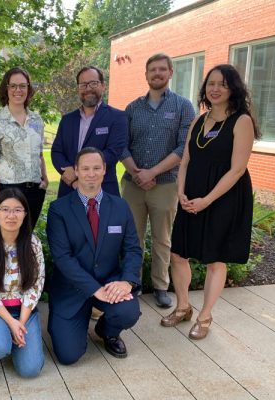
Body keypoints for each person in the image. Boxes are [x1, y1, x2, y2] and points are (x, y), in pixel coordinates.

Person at [162, 64, 259, 340]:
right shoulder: (199, 120)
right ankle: (183, 307)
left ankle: (205, 316)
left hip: (223, 198)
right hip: (191, 196)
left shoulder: (241, 121)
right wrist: (181, 192)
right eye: (211, 83)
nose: (214, 89)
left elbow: (237, 169)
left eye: (222, 84)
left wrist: (207, 200)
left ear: (233, 89)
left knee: (215, 259)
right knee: (178, 253)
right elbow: (186, 161)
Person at [46, 147, 142, 364]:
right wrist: (95, 290)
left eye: (96, 168)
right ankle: (72, 323)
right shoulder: (59, 209)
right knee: (68, 356)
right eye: (86, 168)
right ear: (76, 171)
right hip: (72, 288)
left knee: (127, 312)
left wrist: (127, 281)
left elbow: (132, 249)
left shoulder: (120, 206)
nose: (91, 173)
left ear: (105, 170)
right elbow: (62, 258)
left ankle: (107, 331)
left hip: (109, 281)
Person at [120, 53, 196, 308]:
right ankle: (133, 283)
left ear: (171, 73)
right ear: (146, 75)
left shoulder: (183, 106)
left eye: (162, 69)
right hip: (133, 185)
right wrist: (138, 173)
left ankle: (161, 286)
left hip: (165, 184)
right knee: (133, 237)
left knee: (163, 238)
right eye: (152, 69)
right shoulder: (132, 108)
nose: (157, 73)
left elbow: (184, 147)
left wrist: (151, 173)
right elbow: (122, 146)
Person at [0, 188, 45, 377]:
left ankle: (10, 337)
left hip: (23, 310)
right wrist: (11, 324)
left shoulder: (33, 243)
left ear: (25, 213)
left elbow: (36, 285)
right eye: (5, 209)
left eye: (17, 210)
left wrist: (19, 322)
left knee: (30, 370)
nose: (11, 215)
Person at [0, 67, 49, 229]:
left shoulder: (36, 120)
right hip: (6, 192)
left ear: (28, 88)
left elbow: (39, 154)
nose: (18, 90)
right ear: (6, 88)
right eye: (13, 86)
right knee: (6, 243)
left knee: (25, 243)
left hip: (33, 193)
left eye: (22, 86)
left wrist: (45, 178)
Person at [51, 66, 127, 198]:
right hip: (69, 190)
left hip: (103, 191)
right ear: (78, 88)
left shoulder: (117, 117)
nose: (88, 88)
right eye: (83, 84)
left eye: (93, 83)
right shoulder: (67, 120)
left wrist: (78, 172)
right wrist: (73, 179)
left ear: (103, 85)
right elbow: (57, 151)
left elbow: (113, 152)